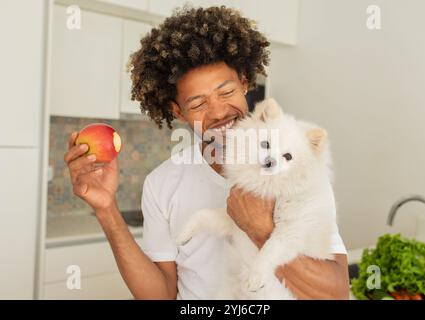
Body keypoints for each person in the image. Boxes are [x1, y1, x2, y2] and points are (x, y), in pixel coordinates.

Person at [64, 6, 349, 300]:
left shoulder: (299, 173)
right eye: (198, 103)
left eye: (226, 93)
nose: (219, 112)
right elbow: (160, 296)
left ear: (245, 83)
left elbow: (336, 294)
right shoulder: (162, 183)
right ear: (179, 112)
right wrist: (106, 210)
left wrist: (261, 230)